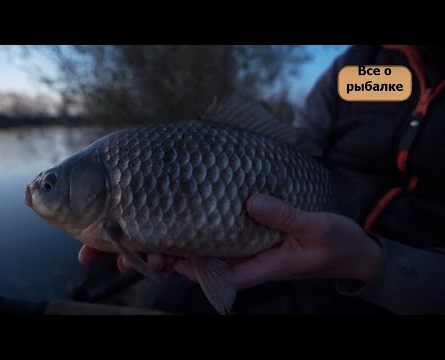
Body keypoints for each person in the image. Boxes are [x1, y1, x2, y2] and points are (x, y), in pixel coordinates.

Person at [78, 45, 445, 315]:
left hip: (400, 270)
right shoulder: (364, 68)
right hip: (298, 224)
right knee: (167, 299)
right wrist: (207, 180)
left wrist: (374, 264)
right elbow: (303, 142)